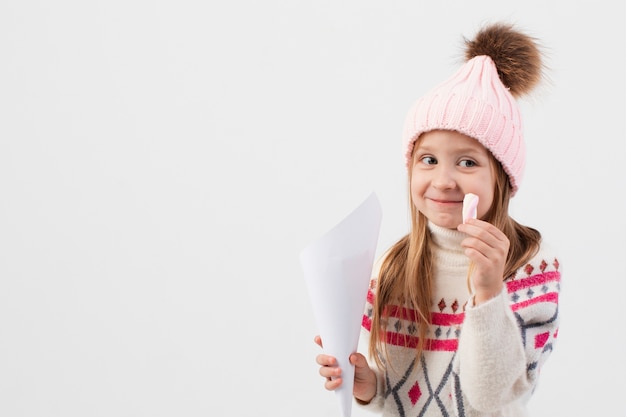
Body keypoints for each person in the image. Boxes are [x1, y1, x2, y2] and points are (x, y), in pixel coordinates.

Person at [314, 22, 561, 416]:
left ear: (502, 176)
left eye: (467, 162)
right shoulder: (392, 266)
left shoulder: (530, 265)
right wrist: (370, 386)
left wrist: (487, 291)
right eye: (428, 160)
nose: (443, 181)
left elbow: (492, 399)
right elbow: (401, 390)